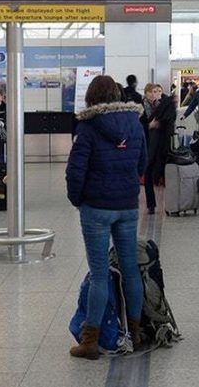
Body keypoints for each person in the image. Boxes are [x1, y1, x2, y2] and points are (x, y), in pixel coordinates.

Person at [65, 75, 146, 360]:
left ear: (90, 97)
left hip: (96, 208)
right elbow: (142, 163)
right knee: (130, 270)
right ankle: (134, 334)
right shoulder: (135, 124)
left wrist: (78, 199)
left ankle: (90, 342)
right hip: (127, 205)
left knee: (99, 275)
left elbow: (76, 170)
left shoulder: (87, 128)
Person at [142, 84, 176, 215]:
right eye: (152, 91)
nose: (155, 94)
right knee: (148, 170)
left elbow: (169, 121)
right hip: (146, 142)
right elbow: (137, 125)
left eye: (158, 91)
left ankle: (171, 203)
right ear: (146, 93)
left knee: (162, 169)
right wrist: (149, 125)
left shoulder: (164, 105)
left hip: (161, 143)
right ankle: (151, 204)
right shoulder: (141, 106)